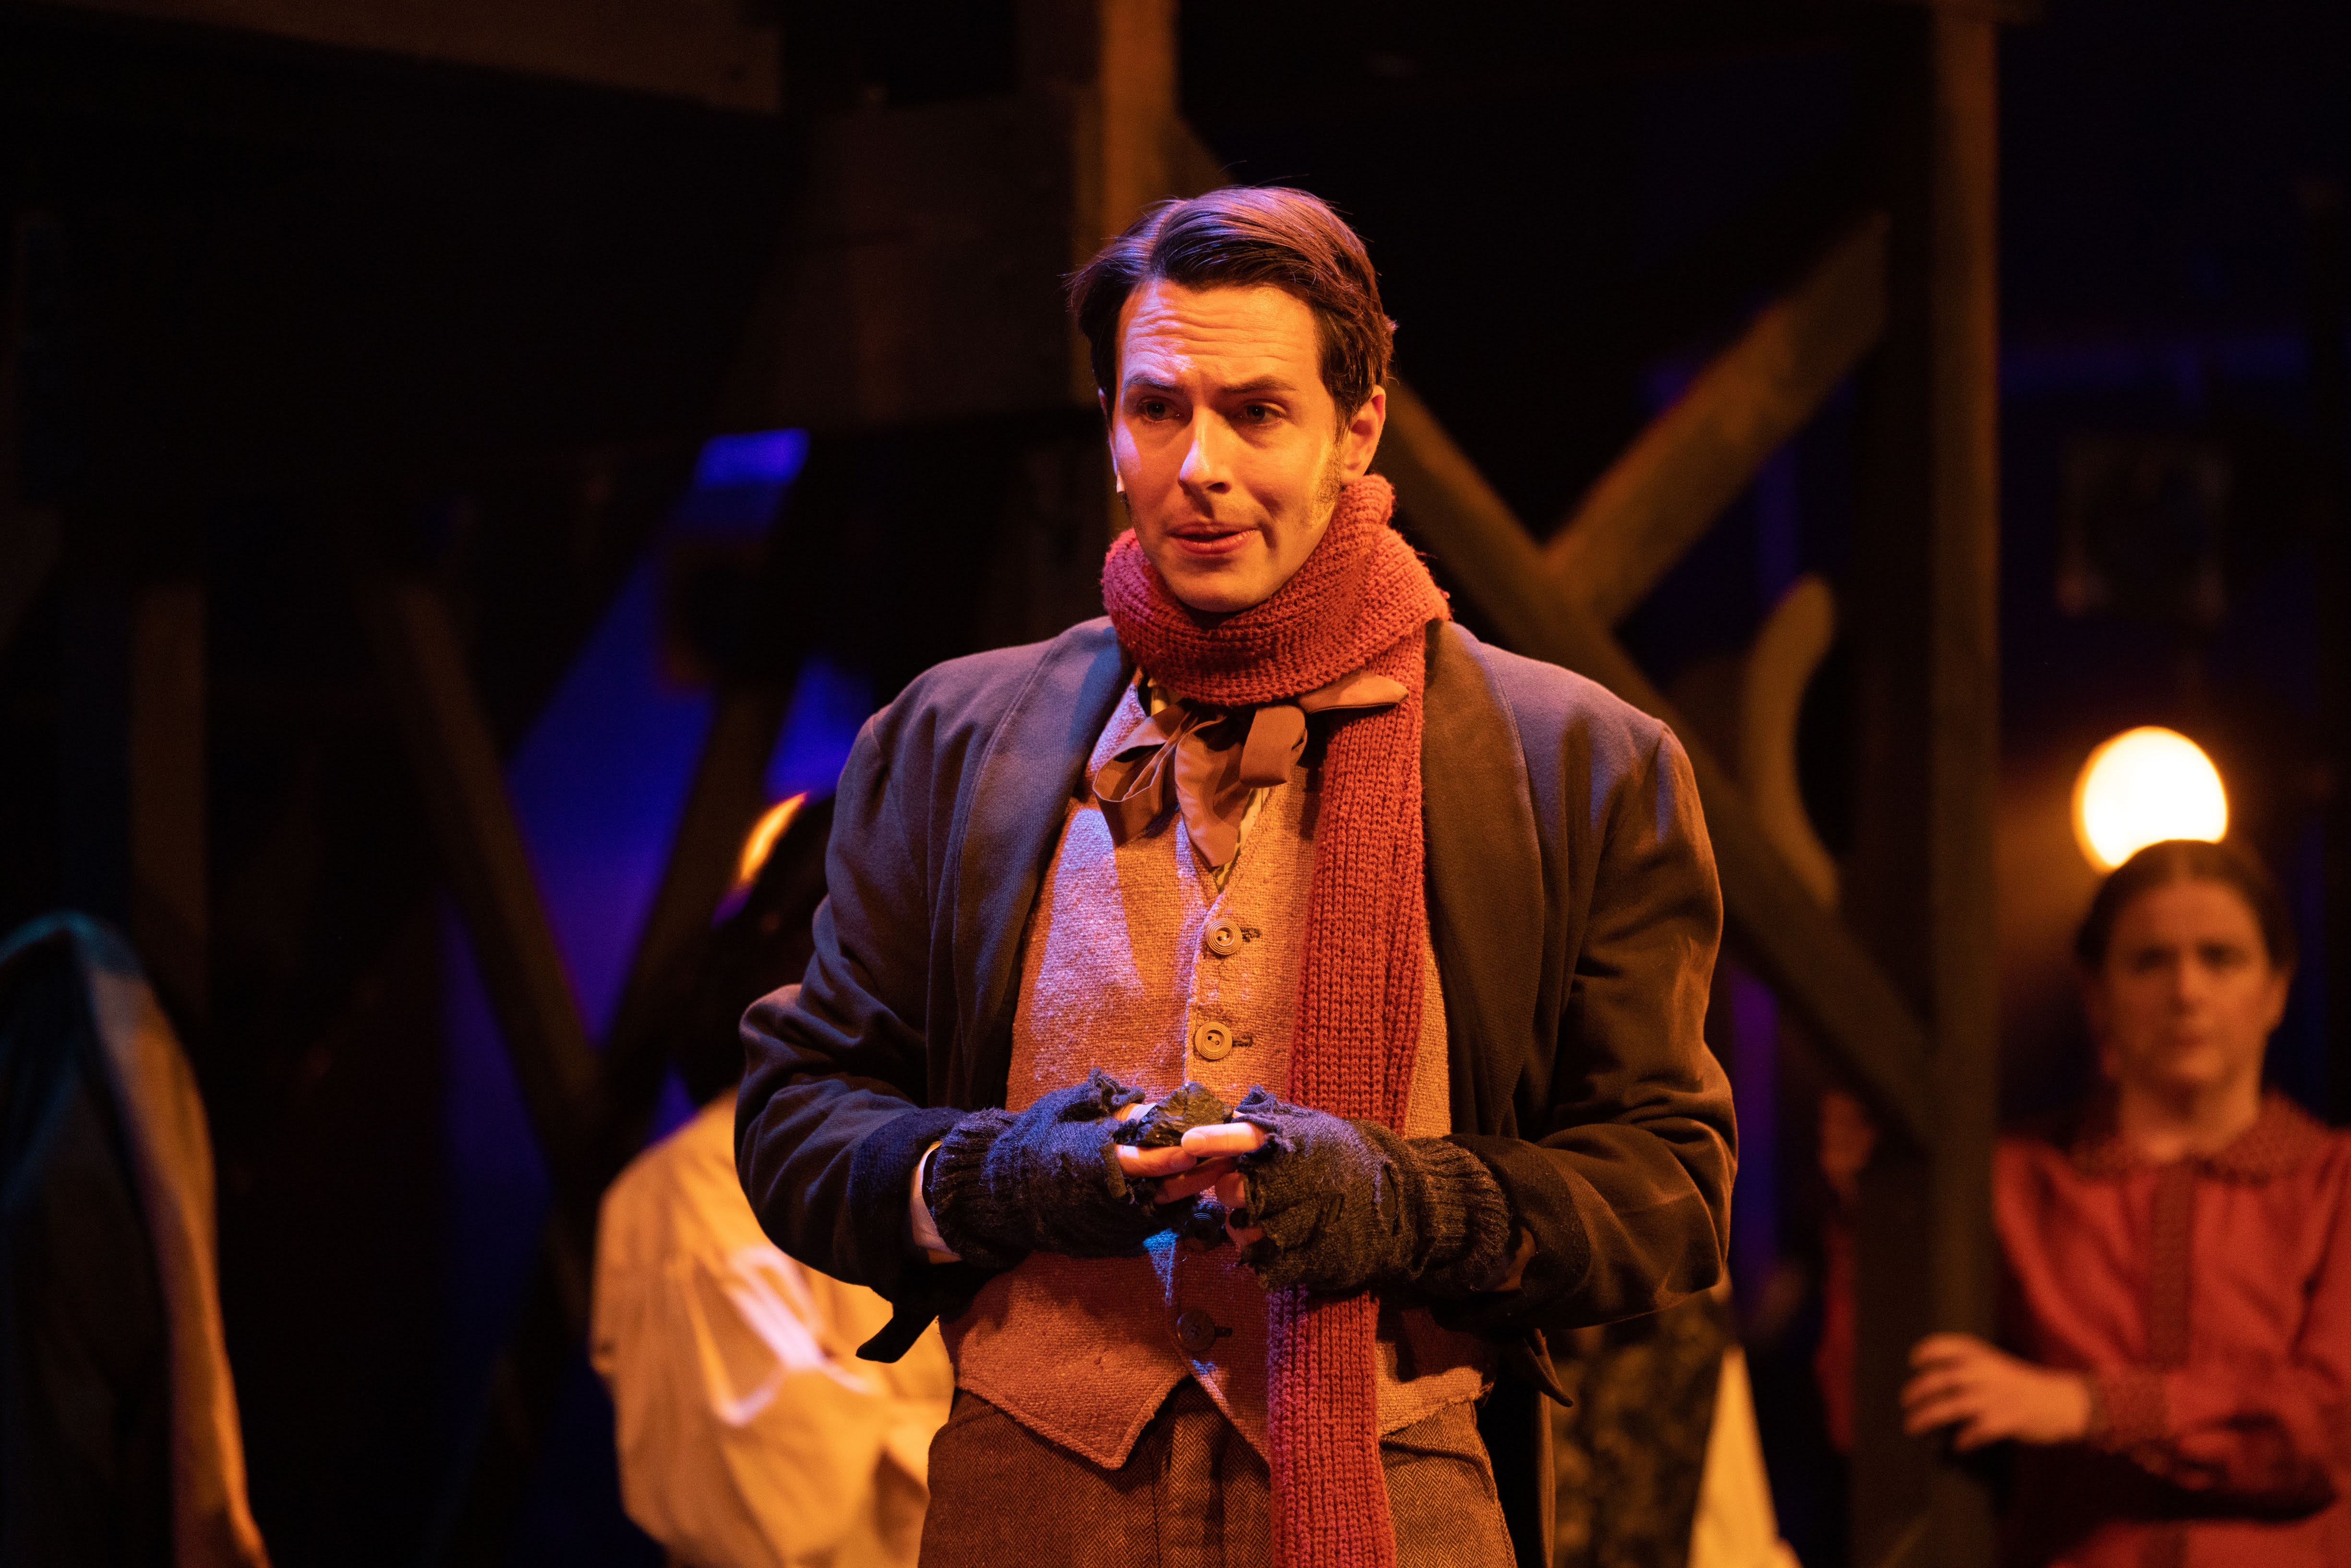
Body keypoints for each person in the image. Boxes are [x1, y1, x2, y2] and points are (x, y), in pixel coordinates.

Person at [735, 185, 1736, 1567]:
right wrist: (996, 1179)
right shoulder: (950, 741)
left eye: (1257, 412)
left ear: (1356, 429)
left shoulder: (1575, 761)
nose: (1198, 464)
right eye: (1158, 409)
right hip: (1031, 1498)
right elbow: (797, 1117)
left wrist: (1409, 1204)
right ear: (1110, 424)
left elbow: (1667, 1186)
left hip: (1394, 1492)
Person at [1896, 838, 2351, 1565]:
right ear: (2095, 993)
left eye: (2221, 958)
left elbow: (2326, 1425)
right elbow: (1881, 1416)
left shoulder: (2333, 1180)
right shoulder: (2016, 1181)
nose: (2186, 991)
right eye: (2149, 961)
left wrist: (2089, 1405)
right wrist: (1863, 1204)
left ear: (2276, 988)